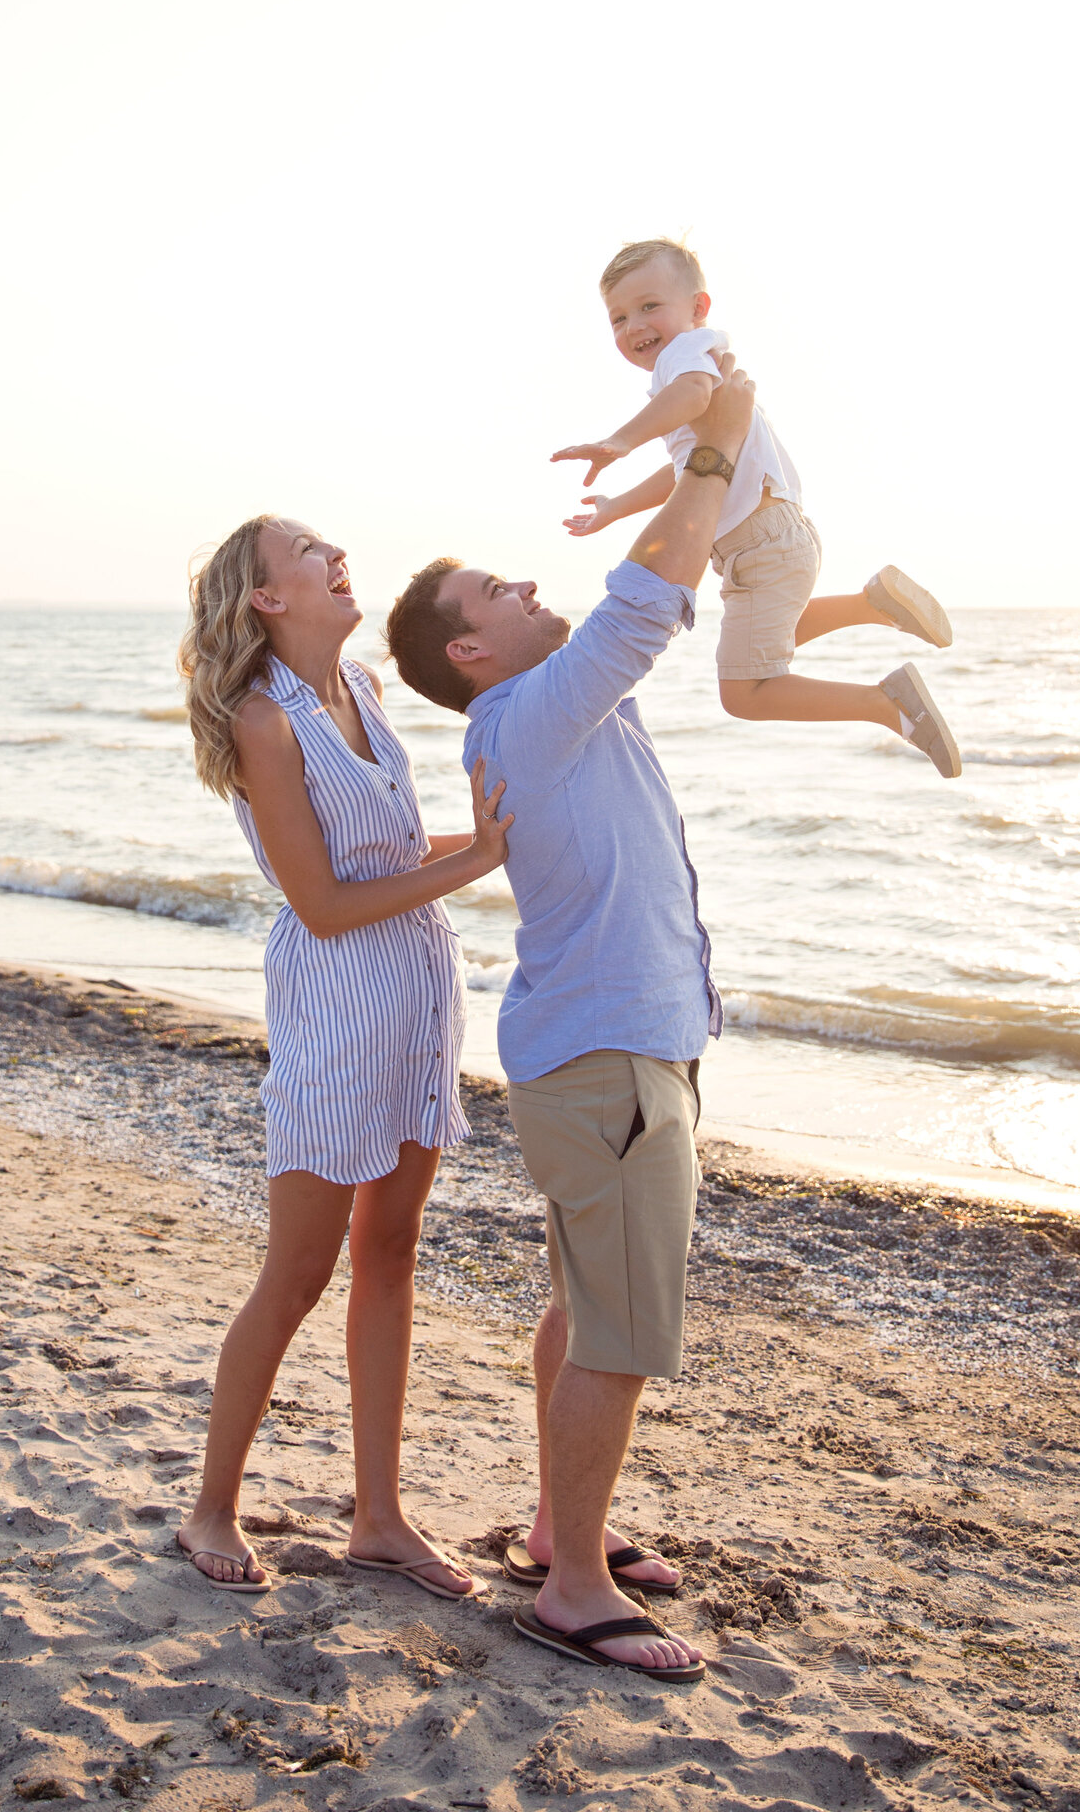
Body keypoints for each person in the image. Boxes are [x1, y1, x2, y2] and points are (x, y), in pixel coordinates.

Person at [384, 360, 761, 1685]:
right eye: (499, 590)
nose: (528, 587)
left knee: (578, 1300)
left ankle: (557, 1530)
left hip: (607, 1047)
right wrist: (714, 441)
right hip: (607, 1058)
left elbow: (654, 590)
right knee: (617, 1323)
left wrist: (710, 468)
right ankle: (576, 1585)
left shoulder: (538, 709)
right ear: (471, 651)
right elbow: (648, 594)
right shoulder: (531, 708)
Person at [173, 514, 513, 1599]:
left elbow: (399, 854)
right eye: (307, 552)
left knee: (395, 1252)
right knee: (299, 1271)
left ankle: (379, 1517)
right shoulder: (261, 721)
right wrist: (482, 862)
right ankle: (210, 1507)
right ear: (267, 597)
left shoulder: (360, 687)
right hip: (337, 1001)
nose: (333, 557)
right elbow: (320, 905)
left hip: (419, 989)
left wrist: (502, 833)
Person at [552, 236, 962, 776]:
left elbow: (694, 397)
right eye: (618, 317)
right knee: (756, 647)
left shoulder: (684, 360)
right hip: (775, 534)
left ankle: (886, 702)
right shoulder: (690, 362)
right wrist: (615, 508)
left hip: (760, 542)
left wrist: (621, 441)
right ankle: (874, 605)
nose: (633, 327)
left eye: (650, 306)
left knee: (744, 691)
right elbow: (686, 470)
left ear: (698, 308)